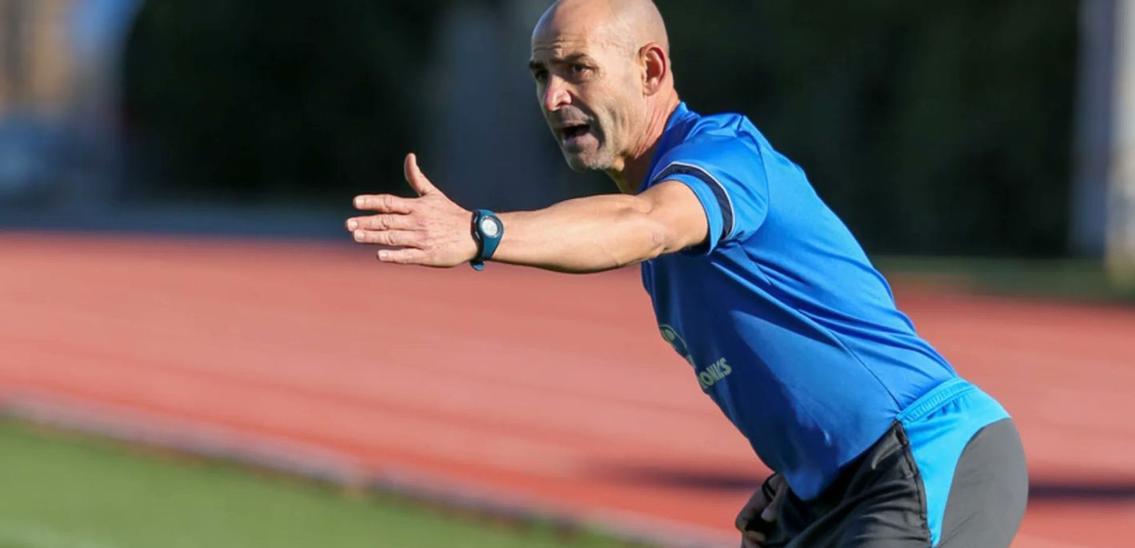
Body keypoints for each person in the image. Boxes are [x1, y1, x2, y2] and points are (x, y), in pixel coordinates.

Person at [346, 1, 1028, 546]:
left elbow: (643, 221)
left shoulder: (722, 157)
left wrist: (480, 232)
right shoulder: (663, 252)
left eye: (577, 69)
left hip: (929, 455)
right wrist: (800, 481)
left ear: (650, 69)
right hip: (838, 492)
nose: (554, 97)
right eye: (540, 75)